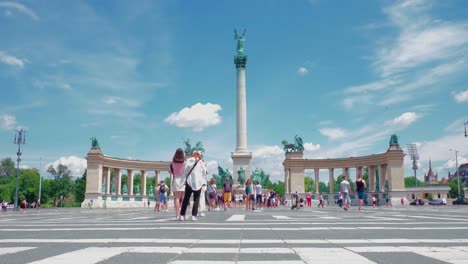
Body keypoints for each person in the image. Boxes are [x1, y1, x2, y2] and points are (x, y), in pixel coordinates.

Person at [180, 151, 207, 221]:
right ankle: (191, 215)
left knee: (189, 199)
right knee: (193, 199)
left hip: (192, 182)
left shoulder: (190, 161)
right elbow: (204, 172)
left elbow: (185, 171)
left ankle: (184, 215)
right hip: (195, 182)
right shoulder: (198, 162)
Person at [170, 148, 186, 220]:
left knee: (177, 198)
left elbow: (170, 172)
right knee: (183, 198)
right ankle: (184, 215)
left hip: (176, 180)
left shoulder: (172, 163)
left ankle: (177, 215)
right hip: (183, 180)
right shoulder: (185, 163)